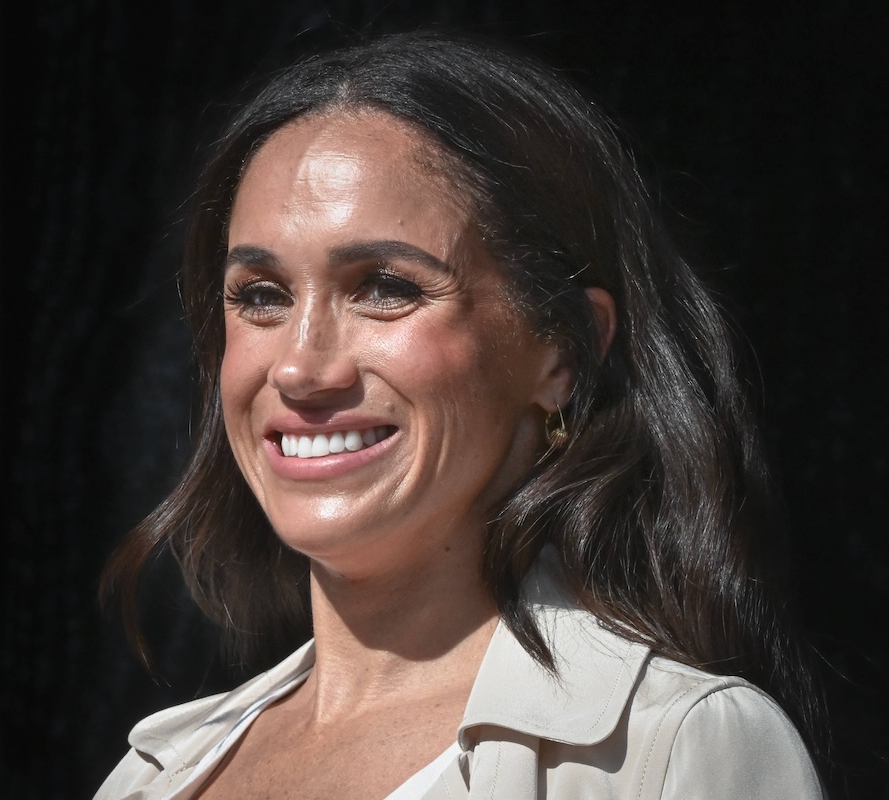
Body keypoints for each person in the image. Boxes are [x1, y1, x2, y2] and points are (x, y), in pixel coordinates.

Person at [94, 31, 825, 799]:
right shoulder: (152, 776)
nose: (300, 367)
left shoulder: (672, 752)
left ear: (561, 354)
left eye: (385, 287)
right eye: (261, 296)